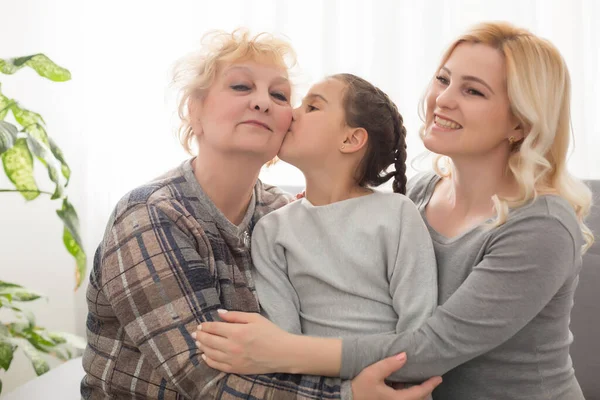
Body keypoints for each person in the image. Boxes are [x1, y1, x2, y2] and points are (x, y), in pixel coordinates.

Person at [194, 22, 594, 400]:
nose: (443, 99)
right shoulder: (418, 194)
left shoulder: (542, 225)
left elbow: (432, 347)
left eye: (473, 91)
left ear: (520, 124)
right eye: (443, 79)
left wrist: (281, 351)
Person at [80, 28, 440, 400]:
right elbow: (206, 380)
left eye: (280, 95)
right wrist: (349, 394)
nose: (263, 103)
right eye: (240, 87)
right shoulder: (149, 216)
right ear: (195, 111)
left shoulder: (280, 212)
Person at [204, 72, 437, 372]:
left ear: (351, 139)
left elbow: (419, 324)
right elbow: (282, 343)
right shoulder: (272, 229)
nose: (291, 113)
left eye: (312, 107)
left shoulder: (397, 214)